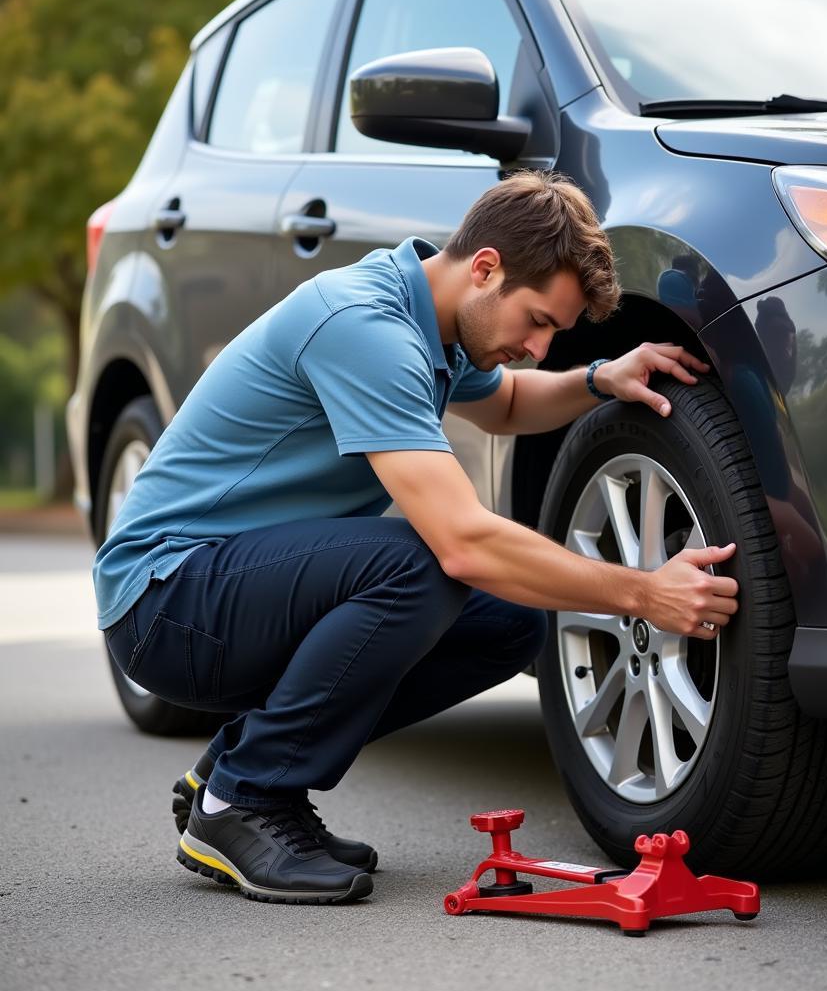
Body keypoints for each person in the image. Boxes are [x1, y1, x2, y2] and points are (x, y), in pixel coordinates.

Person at [94, 171, 740, 905]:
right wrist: (644, 593)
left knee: (510, 622)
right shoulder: (364, 328)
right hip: (166, 599)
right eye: (537, 321)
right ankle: (244, 801)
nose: (538, 346)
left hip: (224, 594)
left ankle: (238, 770)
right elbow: (464, 543)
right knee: (427, 565)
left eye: (554, 333)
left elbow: (505, 406)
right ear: (486, 268)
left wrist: (599, 378)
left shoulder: (430, 319)